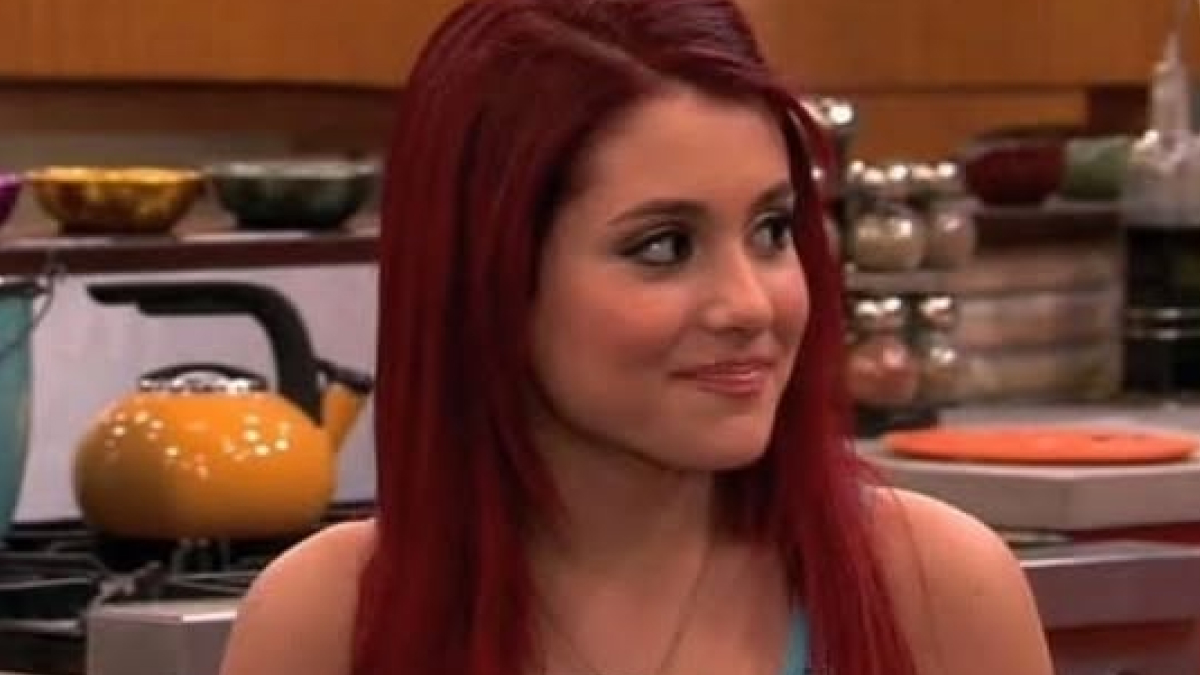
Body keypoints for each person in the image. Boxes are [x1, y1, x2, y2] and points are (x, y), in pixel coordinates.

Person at [218, 0, 1054, 674]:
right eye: (663, 246)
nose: (750, 305)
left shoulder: (932, 590)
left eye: (771, 230)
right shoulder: (329, 620)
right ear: (491, 275)